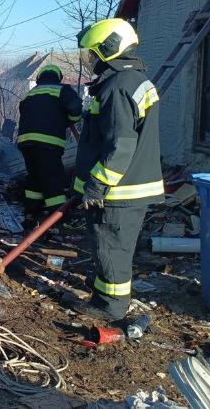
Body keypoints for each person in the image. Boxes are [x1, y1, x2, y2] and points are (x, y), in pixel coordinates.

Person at [71, 18, 164, 322]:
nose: (91, 61)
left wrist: (97, 184)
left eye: (94, 54)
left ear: (110, 49)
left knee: (111, 247)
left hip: (119, 190)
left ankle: (110, 306)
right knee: (107, 246)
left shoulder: (117, 87)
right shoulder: (131, 80)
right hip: (128, 186)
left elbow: (121, 144)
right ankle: (103, 292)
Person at [16, 64, 83, 231]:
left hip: (25, 142)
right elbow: (75, 109)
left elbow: (24, 110)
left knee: (34, 177)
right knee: (52, 179)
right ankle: (56, 219)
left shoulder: (31, 93)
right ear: (57, 76)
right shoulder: (62, 89)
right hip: (48, 143)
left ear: (40, 77)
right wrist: (70, 120)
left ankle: (31, 214)